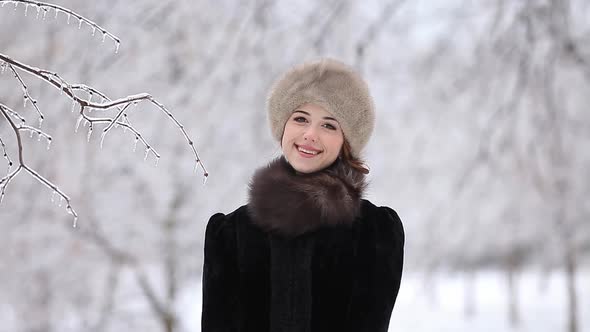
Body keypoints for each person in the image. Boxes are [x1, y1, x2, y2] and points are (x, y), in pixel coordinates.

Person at [201, 58, 404, 332]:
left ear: (347, 141)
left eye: (329, 125)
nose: (310, 134)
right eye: (300, 118)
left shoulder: (375, 231)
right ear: (283, 126)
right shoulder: (231, 233)